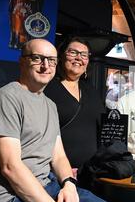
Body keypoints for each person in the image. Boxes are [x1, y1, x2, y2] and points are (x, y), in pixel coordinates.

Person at [0, 39, 128, 202]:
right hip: (6, 198)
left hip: (47, 186)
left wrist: (69, 185)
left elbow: (58, 155)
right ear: (22, 62)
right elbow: (11, 167)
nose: (46, 66)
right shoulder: (7, 97)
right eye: (38, 58)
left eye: (51, 61)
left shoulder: (49, 105)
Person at [44, 36, 105, 175]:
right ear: (61, 56)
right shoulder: (48, 88)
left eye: (84, 55)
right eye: (73, 52)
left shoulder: (91, 89)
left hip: (91, 173)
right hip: (57, 174)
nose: (79, 58)